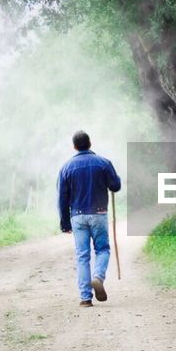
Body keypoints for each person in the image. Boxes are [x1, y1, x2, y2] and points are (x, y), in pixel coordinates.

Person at [57, 131, 122, 307]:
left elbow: (62, 198)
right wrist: (116, 179)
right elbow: (115, 186)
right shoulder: (103, 163)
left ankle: (85, 298)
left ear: (74, 146)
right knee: (102, 249)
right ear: (90, 143)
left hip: (77, 216)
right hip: (99, 213)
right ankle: (98, 277)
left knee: (82, 256)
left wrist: (64, 222)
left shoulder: (66, 168)